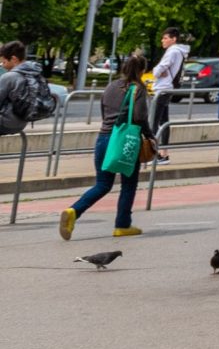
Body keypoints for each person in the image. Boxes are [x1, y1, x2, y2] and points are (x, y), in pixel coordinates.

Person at [60, 54, 151, 240]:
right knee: (129, 183)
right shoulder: (138, 89)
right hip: (125, 141)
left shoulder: (110, 86)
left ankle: (73, 211)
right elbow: (140, 117)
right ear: (142, 71)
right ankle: (122, 225)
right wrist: (150, 136)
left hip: (103, 138)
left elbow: (104, 111)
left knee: (103, 184)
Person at [1, 40, 61, 136]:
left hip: (5, 123)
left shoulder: (10, 76)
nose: (2, 65)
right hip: (22, 123)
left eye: (3, 62)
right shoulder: (35, 73)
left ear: (13, 59)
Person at [146, 29, 187, 160]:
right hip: (167, 88)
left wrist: (156, 71)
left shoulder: (173, 51)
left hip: (163, 89)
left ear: (173, 39)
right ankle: (164, 153)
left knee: (154, 122)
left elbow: (160, 69)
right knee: (164, 121)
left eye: (165, 38)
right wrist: (159, 71)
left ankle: (153, 153)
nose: (162, 41)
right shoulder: (178, 51)